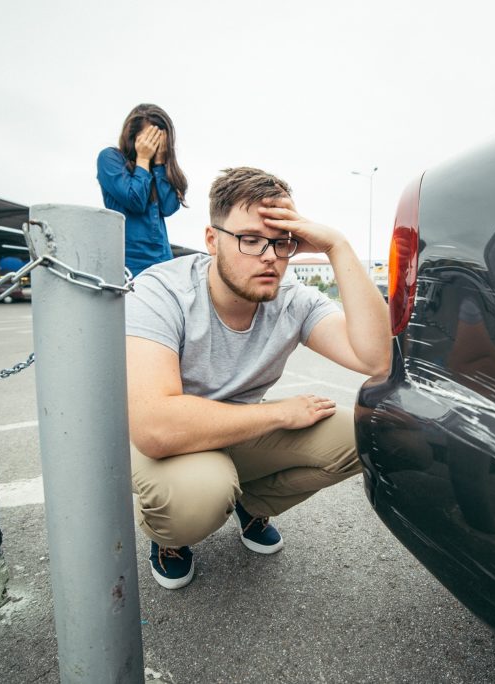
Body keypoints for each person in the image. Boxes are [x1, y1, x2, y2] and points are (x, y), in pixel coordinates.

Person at [125, 167, 391, 589]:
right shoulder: (162, 291)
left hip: (238, 430)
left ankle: (251, 505)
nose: (270, 256)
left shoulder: (292, 299)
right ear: (212, 240)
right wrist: (280, 415)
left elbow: (376, 359)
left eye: (282, 242)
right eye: (250, 240)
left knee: (373, 434)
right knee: (201, 494)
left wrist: (337, 246)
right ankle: (169, 539)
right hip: (173, 445)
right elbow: (156, 426)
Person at [97, 104, 188, 276]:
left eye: (158, 138)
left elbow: (168, 207)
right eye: (149, 138)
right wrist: (143, 159)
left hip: (162, 263)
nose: (153, 144)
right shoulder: (110, 158)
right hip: (128, 266)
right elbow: (135, 200)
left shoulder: (159, 170)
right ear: (133, 137)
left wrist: (160, 164)